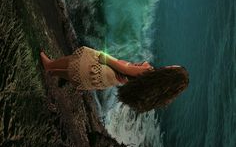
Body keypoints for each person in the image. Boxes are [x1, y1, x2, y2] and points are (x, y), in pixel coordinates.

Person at [40, 45, 189, 113]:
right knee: (77, 73)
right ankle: (53, 73)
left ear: (171, 73)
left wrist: (105, 58)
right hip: (106, 80)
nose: (170, 65)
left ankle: (49, 65)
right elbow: (129, 86)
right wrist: (125, 82)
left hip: (106, 69)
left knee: (77, 61)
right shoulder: (153, 92)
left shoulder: (148, 71)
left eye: (173, 67)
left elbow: (123, 69)